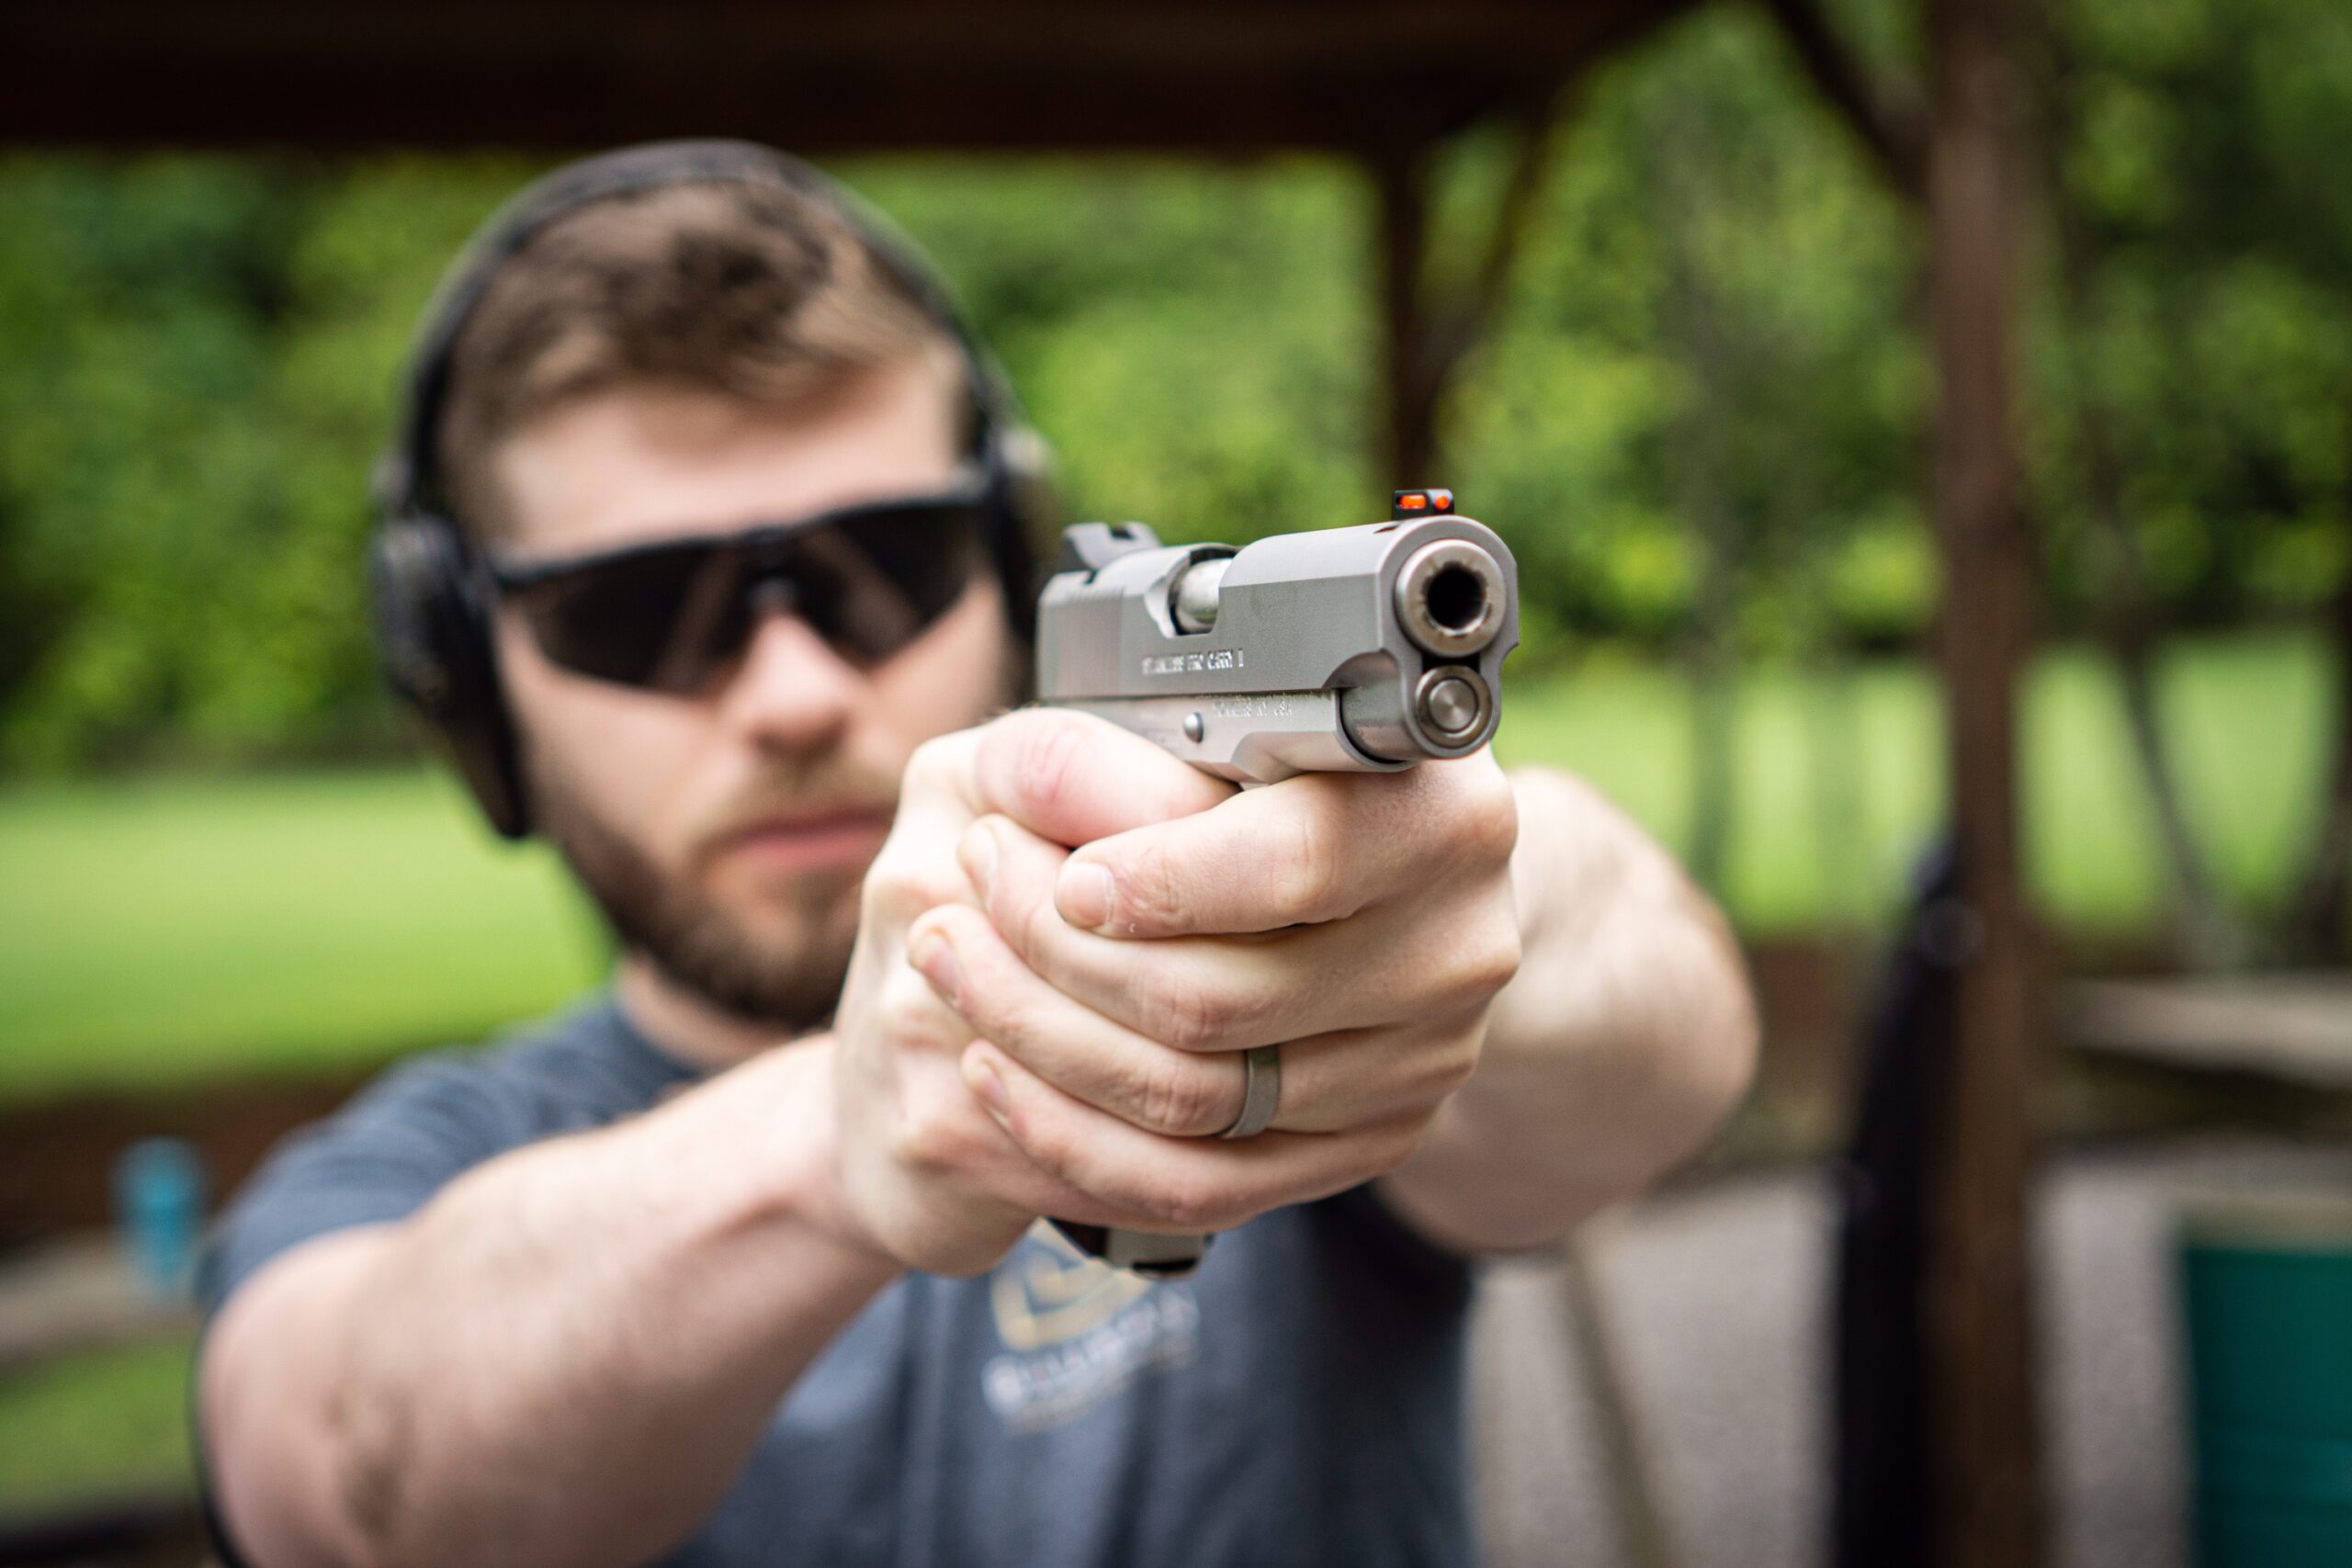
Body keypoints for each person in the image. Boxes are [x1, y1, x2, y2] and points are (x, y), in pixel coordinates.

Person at [195, 141, 1757, 1568]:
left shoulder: (1275, 1001)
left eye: (886, 567)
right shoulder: (410, 1170)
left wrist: (1465, 904)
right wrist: (839, 1133)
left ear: (1005, 571)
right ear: (468, 688)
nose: (797, 691)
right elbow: (347, 1481)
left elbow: (1675, 1041)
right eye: (638, 609)